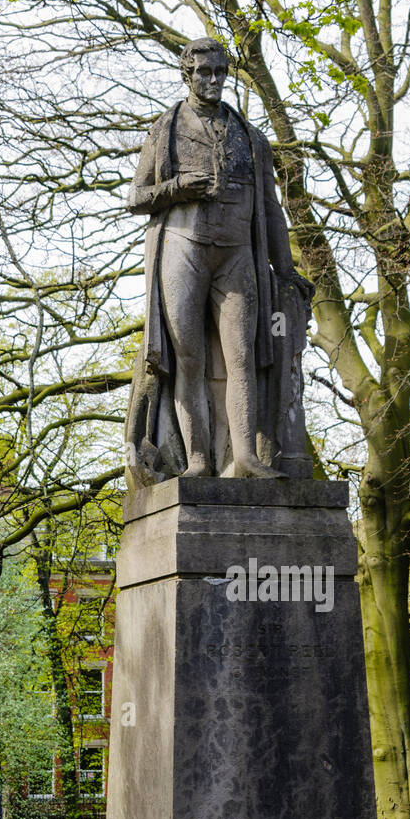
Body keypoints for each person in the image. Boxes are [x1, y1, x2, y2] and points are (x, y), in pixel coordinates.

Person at [125, 37, 313, 484]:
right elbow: (137, 197)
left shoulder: (251, 138)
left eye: (220, 73)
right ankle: (199, 461)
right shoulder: (164, 130)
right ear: (186, 74)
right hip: (182, 251)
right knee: (188, 360)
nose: (213, 81)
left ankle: (246, 457)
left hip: (237, 256)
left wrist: (286, 272)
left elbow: (269, 208)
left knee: (242, 357)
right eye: (204, 72)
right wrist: (177, 189)